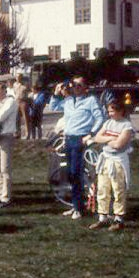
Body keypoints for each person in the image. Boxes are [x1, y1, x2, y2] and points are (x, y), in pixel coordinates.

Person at [49, 77, 104, 219]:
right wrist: (56, 93)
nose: (76, 87)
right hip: (68, 139)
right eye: (74, 85)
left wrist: (91, 134)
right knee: (70, 173)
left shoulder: (91, 100)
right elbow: (53, 106)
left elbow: (100, 118)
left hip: (81, 139)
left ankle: (79, 208)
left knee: (77, 173)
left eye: (80, 85)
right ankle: (75, 205)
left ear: (86, 87)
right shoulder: (68, 101)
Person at [90, 101, 134, 232]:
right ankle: (102, 217)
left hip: (118, 161)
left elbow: (119, 144)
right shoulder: (107, 123)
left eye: (113, 111)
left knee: (118, 189)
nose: (110, 114)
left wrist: (107, 138)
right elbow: (97, 137)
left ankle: (118, 219)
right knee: (103, 189)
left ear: (121, 111)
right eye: (109, 111)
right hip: (105, 159)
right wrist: (110, 139)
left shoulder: (126, 125)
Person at [13, 74, 31, 139]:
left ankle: (27, 133)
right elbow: (15, 92)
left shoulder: (25, 84)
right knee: (17, 118)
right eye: (17, 77)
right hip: (17, 101)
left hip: (24, 101)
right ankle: (18, 133)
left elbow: (29, 92)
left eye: (20, 77)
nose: (18, 78)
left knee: (26, 118)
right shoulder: (14, 84)